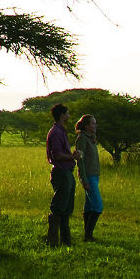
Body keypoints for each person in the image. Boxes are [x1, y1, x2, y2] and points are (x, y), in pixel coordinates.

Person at [46, 103, 80, 247]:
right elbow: (57, 155)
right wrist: (72, 156)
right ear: (61, 115)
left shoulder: (60, 131)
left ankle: (65, 240)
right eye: (67, 113)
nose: (69, 116)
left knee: (66, 208)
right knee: (59, 207)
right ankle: (52, 240)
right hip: (61, 172)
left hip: (66, 172)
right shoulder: (56, 132)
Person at [75, 114, 103, 242]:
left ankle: (87, 235)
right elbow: (80, 160)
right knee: (97, 206)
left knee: (90, 206)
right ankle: (88, 234)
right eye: (92, 123)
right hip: (89, 176)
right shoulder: (82, 138)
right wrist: (84, 179)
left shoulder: (91, 138)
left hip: (94, 175)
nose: (95, 126)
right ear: (86, 126)